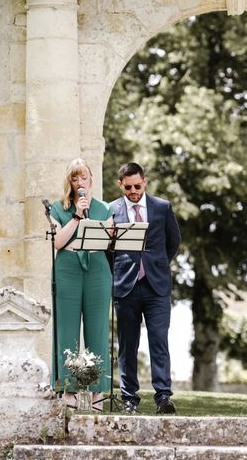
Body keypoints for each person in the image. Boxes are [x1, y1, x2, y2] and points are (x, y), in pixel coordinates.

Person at [110, 162, 181, 414]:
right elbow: (108, 250)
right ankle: (129, 398)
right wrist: (117, 274)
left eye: (137, 186)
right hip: (126, 287)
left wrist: (157, 265)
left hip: (157, 287)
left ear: (145, 181)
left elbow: (173, 241)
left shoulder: (162, 207)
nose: (133, 191)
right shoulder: (111, 210)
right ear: (121, 185)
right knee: (128, 345)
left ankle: (163, 397)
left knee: (159, 341)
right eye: (128, 187)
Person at [49, 158, 113, 410]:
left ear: (90, 179)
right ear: (70, 182)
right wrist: (76, 216)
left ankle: (97, 393)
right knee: (67, 329)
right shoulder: (57, 208)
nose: (79, 183)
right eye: (74, 179)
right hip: (67, 268)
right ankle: (68, 390)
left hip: (97, 268)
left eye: (83, 178)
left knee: (97, 330)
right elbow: (58, 243)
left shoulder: (105, 208)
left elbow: (107, 241)